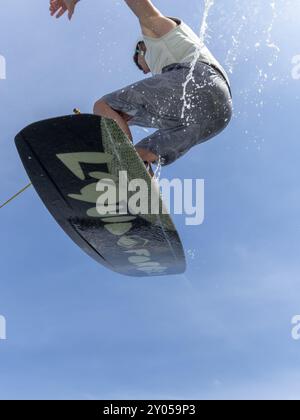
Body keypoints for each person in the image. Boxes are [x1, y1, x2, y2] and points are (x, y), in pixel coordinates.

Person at [49, 0, 233, 169]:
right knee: (141, 156)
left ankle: (122, 160)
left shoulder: (155, 31)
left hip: (199, 80)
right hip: (217, 118)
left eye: (138, 62)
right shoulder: (172, 62)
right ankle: (138, 189)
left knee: (103, 106)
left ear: (141, 48)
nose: (144, 70)